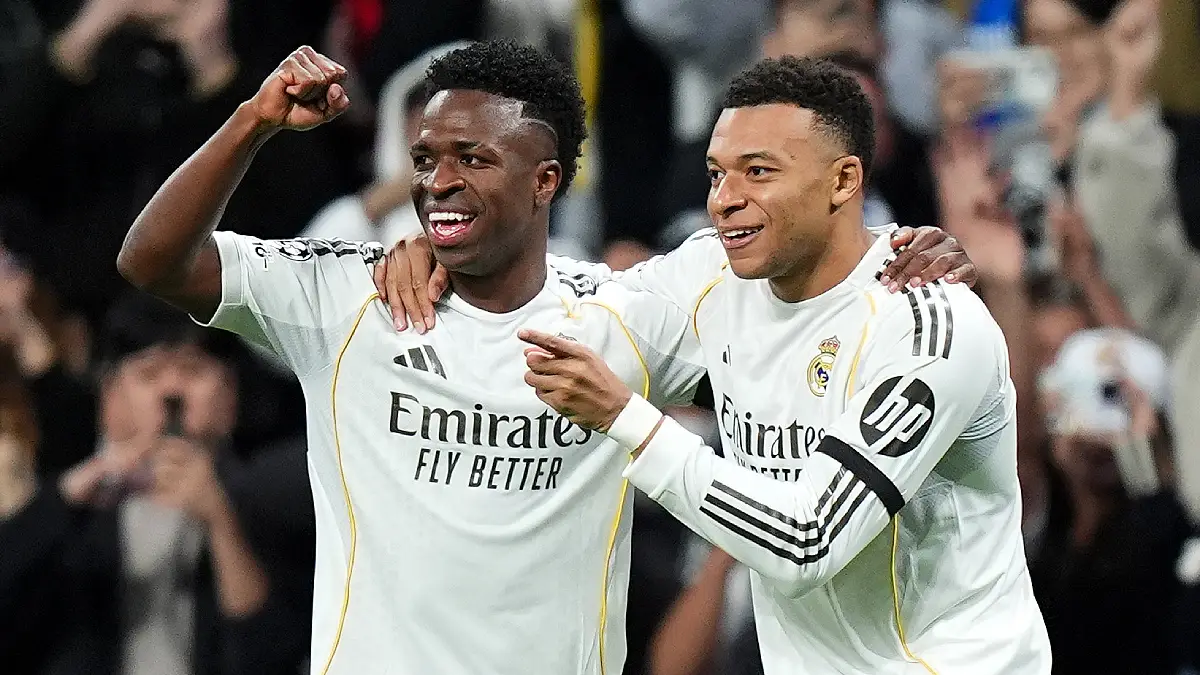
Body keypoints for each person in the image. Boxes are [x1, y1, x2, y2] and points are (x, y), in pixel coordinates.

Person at [117, 40, 973, 674]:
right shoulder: (348, 297)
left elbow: (800, 241)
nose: (437, 181)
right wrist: (253, 121)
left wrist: (901, 250)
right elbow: (151, 261)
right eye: (425, 159)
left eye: (472, 158)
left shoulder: (630, 314)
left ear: (546, 181)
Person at [503, 56, 1050, 673]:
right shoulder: (714, 275)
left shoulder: (926, 326)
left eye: (757, 173)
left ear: (844, 181)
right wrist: (441, 261)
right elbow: (561, 311)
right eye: (716, 175)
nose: (723, 201)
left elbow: (806, 541)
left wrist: (625, 420)